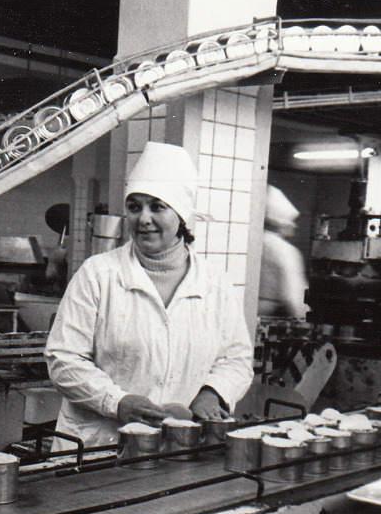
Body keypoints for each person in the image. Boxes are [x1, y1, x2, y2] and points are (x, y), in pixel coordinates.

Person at [44, 141, 254, 449]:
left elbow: (236, 358)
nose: (143, 219)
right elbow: (63, 358)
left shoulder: (214, 283)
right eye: (134, 207)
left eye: (157, 207)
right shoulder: (97, 274)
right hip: (97, 446)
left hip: (176, 446)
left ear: (181, 214)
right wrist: (116, 402)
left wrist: (213, 392)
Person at [257, 186, 310, 319]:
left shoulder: (253, 242)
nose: (294, 226)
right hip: (268, 318)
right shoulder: (285, 250)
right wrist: (306, 317)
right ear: (282, 224)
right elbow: (295, 300)